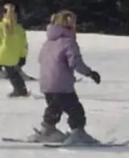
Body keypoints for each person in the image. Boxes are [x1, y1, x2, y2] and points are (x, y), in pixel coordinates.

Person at [34, 9, 102, 144]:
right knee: (75, 109)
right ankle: (78, 132)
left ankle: (48, 129)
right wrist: (90, 73)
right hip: (61, 84)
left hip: (47, 83)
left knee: (55, 107)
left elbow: (41, 59)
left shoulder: (48, 42)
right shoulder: (68, 42)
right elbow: (75, 62)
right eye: (73, 25)